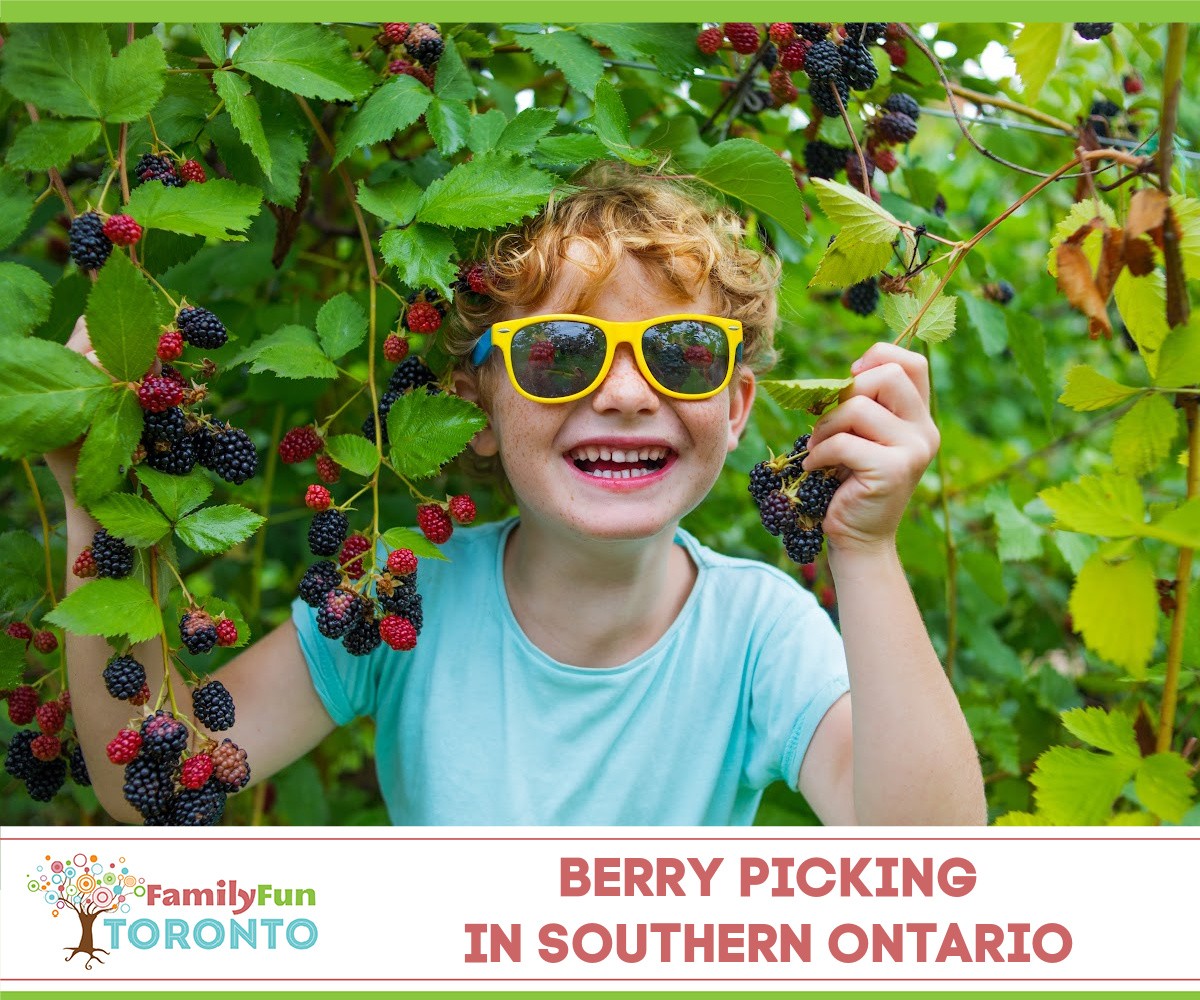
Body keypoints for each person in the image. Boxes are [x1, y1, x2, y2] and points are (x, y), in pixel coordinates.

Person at [44, 169, 986, 826]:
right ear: (477, 406)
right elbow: (151, 786)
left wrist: (862, 551)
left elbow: (927, 863)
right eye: (559, 354)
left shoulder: (761, 635)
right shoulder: (398, 599)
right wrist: (95, 500)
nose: (624, 393)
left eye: (684, 354)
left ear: (737, 407)